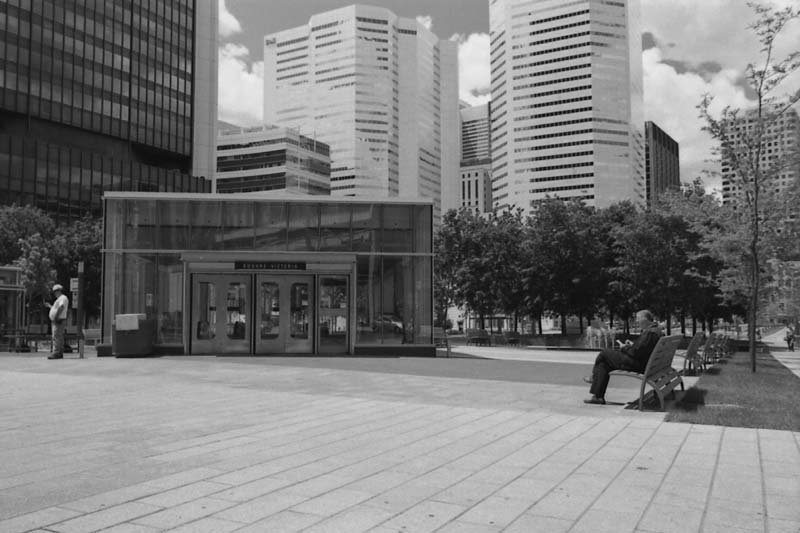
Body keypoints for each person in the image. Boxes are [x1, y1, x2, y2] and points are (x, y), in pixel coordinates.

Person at [583, 309, 663, 405]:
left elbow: (635, 352)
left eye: (638, 319)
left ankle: (595, 379)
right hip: (647, 364)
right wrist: (632, 345)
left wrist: (624, 348)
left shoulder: (650, 333)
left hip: (638, 365)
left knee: (604, 353)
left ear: (644, 319)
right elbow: (641, 348)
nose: (636, 321)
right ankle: (598, 396)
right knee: (604, 363)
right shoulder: (655, 331)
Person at [45, 284, 69, 360]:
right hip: (59, 319)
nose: (54, 293)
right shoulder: (60, 299)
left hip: (58, 320)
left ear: (59, 291)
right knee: (58, 336)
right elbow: (56, 308)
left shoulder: (62, 298)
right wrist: (50, 306)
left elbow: (61, 307)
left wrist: (55, 317)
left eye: (55, 291)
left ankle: (56, 353)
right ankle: (59, 352)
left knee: (56, 336)